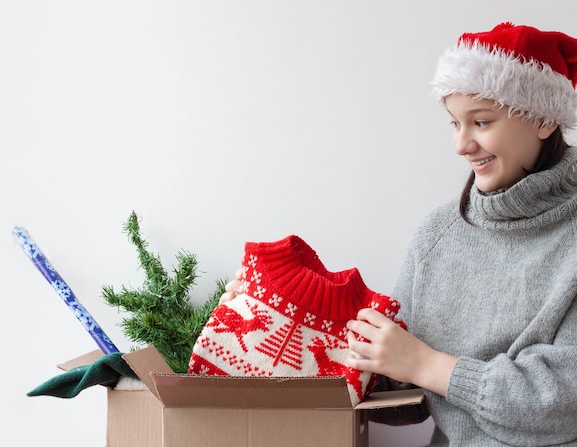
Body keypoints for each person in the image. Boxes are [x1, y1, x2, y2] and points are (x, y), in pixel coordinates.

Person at [220, 22, 577, 446]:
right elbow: (399, 398)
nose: (461, 145)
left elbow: (563, 403)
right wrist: (271, 325)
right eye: (454, 123)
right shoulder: (437, 238)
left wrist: (427, 364)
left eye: (480, 122)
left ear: (542, 119)